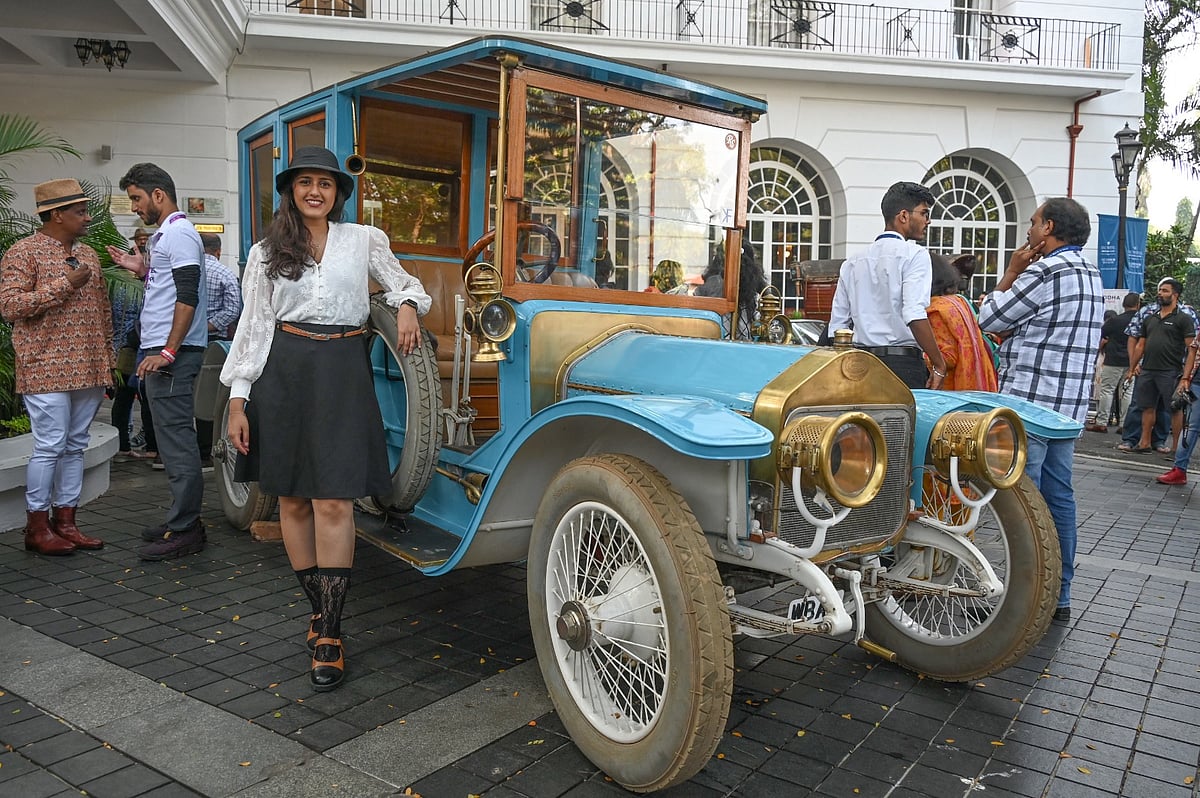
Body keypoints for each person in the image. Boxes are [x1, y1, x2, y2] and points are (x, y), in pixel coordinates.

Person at [219, 146, 431, 691]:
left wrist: (405, 304)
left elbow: (408, 284)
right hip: (282, 373)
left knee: (334, 499)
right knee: (291, 498)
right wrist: (239, 399)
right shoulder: (266, 252)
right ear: (291, 189)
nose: (316, 191)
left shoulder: (364, 240)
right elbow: (255, 326)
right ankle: (320, 609)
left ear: (338, 192)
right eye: (306, 182)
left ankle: (331, 631)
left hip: (341, 369)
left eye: (327, 183)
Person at [978, 197, 1104, 623]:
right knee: (1058, 498)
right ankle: (1059, 594)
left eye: (1033, 223)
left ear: (1048, 227)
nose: (1029, 231)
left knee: (1021, 502)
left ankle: (1023, 598)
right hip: (1067, 407)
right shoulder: (1089, 273)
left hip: (1031, 404)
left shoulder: (1046, 270)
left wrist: (1011, 273)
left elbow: (990, 317)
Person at [0, 179, 113, 555]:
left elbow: (103, 312)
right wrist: (63, 284)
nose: (87, 217)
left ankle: (66, 522)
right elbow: (10, 307)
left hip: (90, 367)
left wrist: (108, 362)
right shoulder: (23, 253)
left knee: (76, 446)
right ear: (57, 214)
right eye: (80, 211)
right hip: (45, 367)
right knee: (49, 446)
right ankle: (37, 526)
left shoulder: (90, 255)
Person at [106, 163, 209, 561]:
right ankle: (180, 520)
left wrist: (167, 352)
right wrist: (141, 268)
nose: (134, 207)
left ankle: (186, 529)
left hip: (173, 355)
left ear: (159, 195)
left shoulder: (180, 233)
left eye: (136, 198)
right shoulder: (167, 235)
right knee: (169, 439)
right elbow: (169, 284)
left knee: (177, 442)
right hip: (165, 352)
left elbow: (188, 295)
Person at [828, 181, 947, 389]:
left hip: (859, 364)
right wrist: (939, 364)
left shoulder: (853, 262)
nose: (928, 221)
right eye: (924, 213)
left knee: (863, 421)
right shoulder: (915, 255)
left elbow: (837, 327)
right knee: (902, 422)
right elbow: (913, 313)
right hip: (903, 365)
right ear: (904, 216)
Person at [1124, 277, 1196, 454]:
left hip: (1170, 371)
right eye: (1160, 290)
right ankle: (1144, 443)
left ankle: (1176, 448)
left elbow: (1191, 349)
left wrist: (1186, 377)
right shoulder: (1150, 318)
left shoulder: (1183, 318)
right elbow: (1140, 345)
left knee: (1174, 409)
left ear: (1175, 295)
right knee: (1146, 407)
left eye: (1165, 291)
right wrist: (1132, 368)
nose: (1160, 293)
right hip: (1148, 369)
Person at [196, 234, 243, 469]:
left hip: (184, 341)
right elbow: (233, 308)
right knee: (209, 392)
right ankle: (207, 450)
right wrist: (209, 325)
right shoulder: (224, 273)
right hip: (213, 341)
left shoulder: (186, 269)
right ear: (218, 250)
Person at [925, 254, 997, 391]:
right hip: (976, 383)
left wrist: (920, 352)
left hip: (951, 390)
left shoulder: (936, 310)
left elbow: (948, 358)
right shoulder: (960, 302)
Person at [1089, 292, 1140, 432]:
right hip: (1132, 361)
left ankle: (1102, 422)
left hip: (1113, 359)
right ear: (1138, 304)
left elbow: (1102, 333)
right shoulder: (1140, 321)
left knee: (1107, 391)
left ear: (1124, 304)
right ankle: (1124, 424)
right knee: (1127, 393)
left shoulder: (1115, 320)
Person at [1157, 337, 1200, 484]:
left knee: (1191, 427)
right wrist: (1186, 378)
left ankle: (1179, 470)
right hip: (1197, 381)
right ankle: (1179, 469)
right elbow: (1193, 349)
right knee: (1191, 427)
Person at [201, 233, 242, 341]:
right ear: (218, 251)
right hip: (214, 337)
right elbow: (232, 310)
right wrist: (207, 326)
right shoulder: (226, 273)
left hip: (183, 335)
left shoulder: (182, 270)